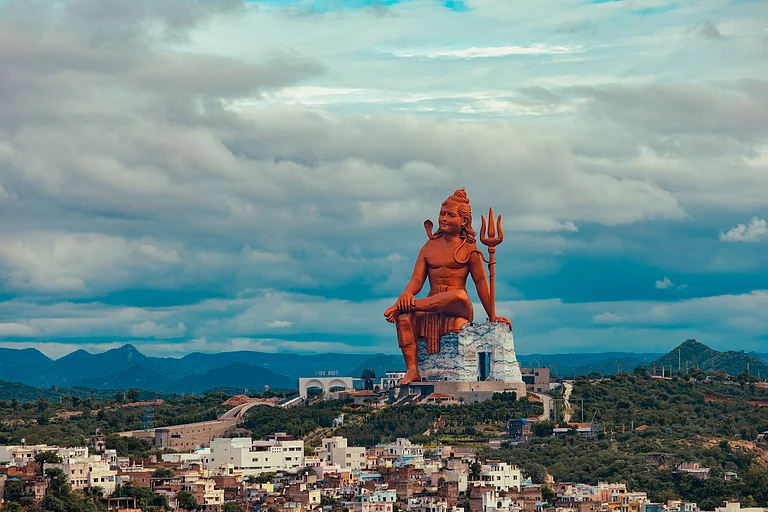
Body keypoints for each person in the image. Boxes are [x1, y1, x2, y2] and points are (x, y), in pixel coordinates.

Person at [384, 189, 512, 386]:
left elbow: (481, 285)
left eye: (450, 215)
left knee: (459, 295)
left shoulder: (469, 250)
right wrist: (406, 293)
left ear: (463, 221)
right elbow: (417, 279)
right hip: (429, 304)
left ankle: (409, 306)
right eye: (442, 214)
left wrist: (493, 315)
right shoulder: (428, 247)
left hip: (456, 305)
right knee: (403, 319)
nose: (443, 219)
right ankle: (412, 370)